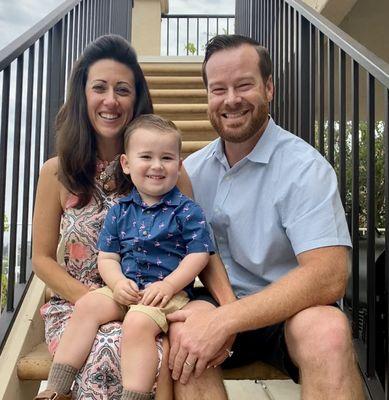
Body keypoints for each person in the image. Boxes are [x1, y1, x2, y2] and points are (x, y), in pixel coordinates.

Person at [168, 34, 365, 400]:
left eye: (244, 85)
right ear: (207, 96)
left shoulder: (305, 168)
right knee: (183, 333)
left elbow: (329, 276)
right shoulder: (189, 172)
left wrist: (228, 319)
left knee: (329, 331)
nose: (231, 100)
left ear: (269, 87)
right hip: (215, 301)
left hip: (288, 310)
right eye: (218, 89)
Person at [32, 35, 193, 400]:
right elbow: (41, 258)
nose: (111, 100)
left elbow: (192, 246)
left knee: (131, 342)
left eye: (123, 89)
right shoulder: (56, 172)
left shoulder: (165, 171)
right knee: (106, 341)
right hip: (78, 305)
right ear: (82, 95)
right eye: (99, 88)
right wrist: (93, 300)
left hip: (148, 303)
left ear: (136, 99)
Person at [34, 114, 215, 400]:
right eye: (146, 157)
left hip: (166, 297)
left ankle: (135, 396)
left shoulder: (187, 210)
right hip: (125, 290)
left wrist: (168, 286)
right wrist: (117, 284)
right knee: (89, 306)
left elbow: (199, 255)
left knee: (137, 324)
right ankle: (57, 386)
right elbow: (107, 257)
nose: (157, 165)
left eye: (167, 158)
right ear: (126, 164)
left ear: (179, 166)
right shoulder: (120, 210)